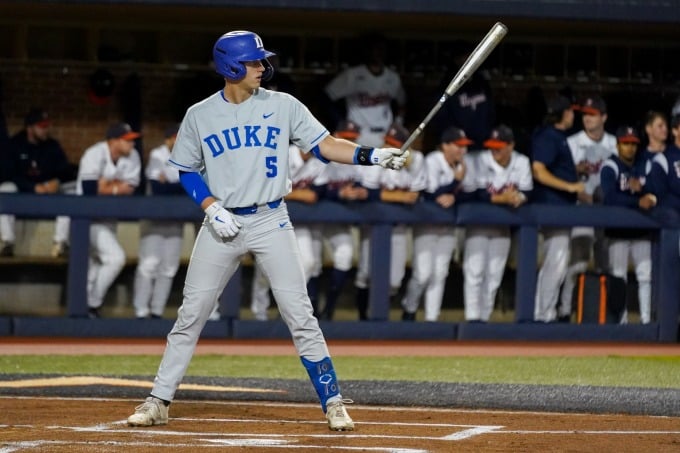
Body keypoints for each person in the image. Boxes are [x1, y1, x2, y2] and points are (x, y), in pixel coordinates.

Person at [126, 30, 408, 431]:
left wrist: (373, 155)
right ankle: (159, 400)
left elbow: (325, 145)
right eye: (254, 62)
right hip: (221, 222)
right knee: (191, 315)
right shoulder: (200, 114)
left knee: (300, 314)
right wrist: (211, 207)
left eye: (260, 61)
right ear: (230, 66)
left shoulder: (283, 105)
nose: (262, 67)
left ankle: (333, 402)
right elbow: (186, 169)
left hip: (271, 218)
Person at [460, 125, 533, 322]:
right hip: (478, 225)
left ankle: (484, 318)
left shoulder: (521, 161)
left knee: (494, 275)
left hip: (502, 228)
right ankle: (473, 318)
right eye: (492, 146)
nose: (495, 150)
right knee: (474, 271)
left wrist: (519, 198)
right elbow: (474, 193)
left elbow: (528, 191)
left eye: (499, 146)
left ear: (511, 146)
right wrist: (502, 199)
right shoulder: (477, 160)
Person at [354, 123, 426, 320]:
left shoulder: (414, 163)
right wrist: (398, 197)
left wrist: (394, 193)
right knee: (366, 274)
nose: (388, 146)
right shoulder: (375, 159)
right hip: (373, 227)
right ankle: (363, 318)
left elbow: (416, 195)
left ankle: (380, 317)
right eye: (387, 141)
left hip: (399, 229)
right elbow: (369, 192)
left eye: (394, 144)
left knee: (394, 280)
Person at [400, 126, 470, 321]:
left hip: (447, 228)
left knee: (439, 273)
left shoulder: (462, 165)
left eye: (464, 146)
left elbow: (472, 193)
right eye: (458, 146)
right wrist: (454, 184)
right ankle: (409, 310)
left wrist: (454, 196)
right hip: (426, 224)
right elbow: (430, 193)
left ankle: (432, 318)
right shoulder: (432, 160)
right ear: (445, 146)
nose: (462, 150)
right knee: (422, 273)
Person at [558, 96, 617, 322]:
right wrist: (573, 171)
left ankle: (608, 314)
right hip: (581, 208)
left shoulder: (614, 144)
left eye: (593, 114)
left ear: (604, 117)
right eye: (585, 114)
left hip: (607, 213)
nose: (587, 118)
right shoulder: (571, 143)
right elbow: (561, 176)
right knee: (578, 262)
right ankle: (564, 311)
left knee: (607, 264)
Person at [76, 122, 141, 318]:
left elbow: (130, 189)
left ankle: (86, 310)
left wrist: (105, 186)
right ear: (113, 140)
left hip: (110, 217)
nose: (132, 144)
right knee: (115, 258)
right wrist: (115, 187)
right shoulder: (94, 154)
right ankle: (91, 304)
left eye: (132, 140)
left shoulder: (133, 156)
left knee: (96, 263)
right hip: (85, 218)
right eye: (127, 140)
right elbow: (89, 190)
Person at [531, 95, 585, 322]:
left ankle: (544, 313)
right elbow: (538, 171)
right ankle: (543, 315)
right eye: (571, 111)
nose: (573, 115)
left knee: (556, 264)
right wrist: (570, 185)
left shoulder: (557, 137)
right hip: (552, 207)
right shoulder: (549, 136)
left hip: (558, 207)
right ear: (562, 114)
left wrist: (573, 171)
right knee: (556, 263)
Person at [0, 108, 77, 257]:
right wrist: (33, 187)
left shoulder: (52, 145)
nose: (46, 130)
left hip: (49, 193)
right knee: (4, 189)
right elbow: (8, 174)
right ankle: (7, 241)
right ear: (30, 128)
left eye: (47, 126)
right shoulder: (15, 144)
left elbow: (65, 171)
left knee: (72, 192)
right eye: (42, 127)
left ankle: (60, 243)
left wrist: (57, 181)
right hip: (23, 193)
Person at [600, 126, 656, 324]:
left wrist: (644, 191)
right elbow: (609, 197)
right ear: (617, 145)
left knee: (645, 276)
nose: (630, 148)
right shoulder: (610, 165)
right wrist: (636, 200)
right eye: (626, 143)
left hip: (641, 231)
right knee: (618, 277)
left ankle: (646, 321)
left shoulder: (645, 165)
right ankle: (620, 323)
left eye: (633, 143)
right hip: (617, 233)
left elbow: (656, 191)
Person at [132, 124, 185, 319]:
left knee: (169, 268)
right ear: (169, 139)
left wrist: (172, 184)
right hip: (154, 218)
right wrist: (178, 186)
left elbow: (191, 188)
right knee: (149, 265)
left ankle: (156, 311)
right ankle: (140, 310)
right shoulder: (158, 155)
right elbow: (157, 188)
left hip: (176, 219)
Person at [323, 32, 406, 148]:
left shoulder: (393, 77)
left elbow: (402, 103)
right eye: (375, 49)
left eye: (381, 49)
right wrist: (340, 122)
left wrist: (398, 123)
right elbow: (326, 97)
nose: (378, 53)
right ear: (367, 51)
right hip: (357, 135)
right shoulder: (352, 75)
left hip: (385, 136)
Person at [431, 40, 495, 150]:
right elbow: (440, 115)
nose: (467, 61)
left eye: (470, 57)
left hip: (482, 143)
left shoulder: (481, 81)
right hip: (459, 145)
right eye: (464, 57)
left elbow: (491, 110)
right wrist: (451, 138)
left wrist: (488, 132)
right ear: (456, 60)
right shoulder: (448, 83)